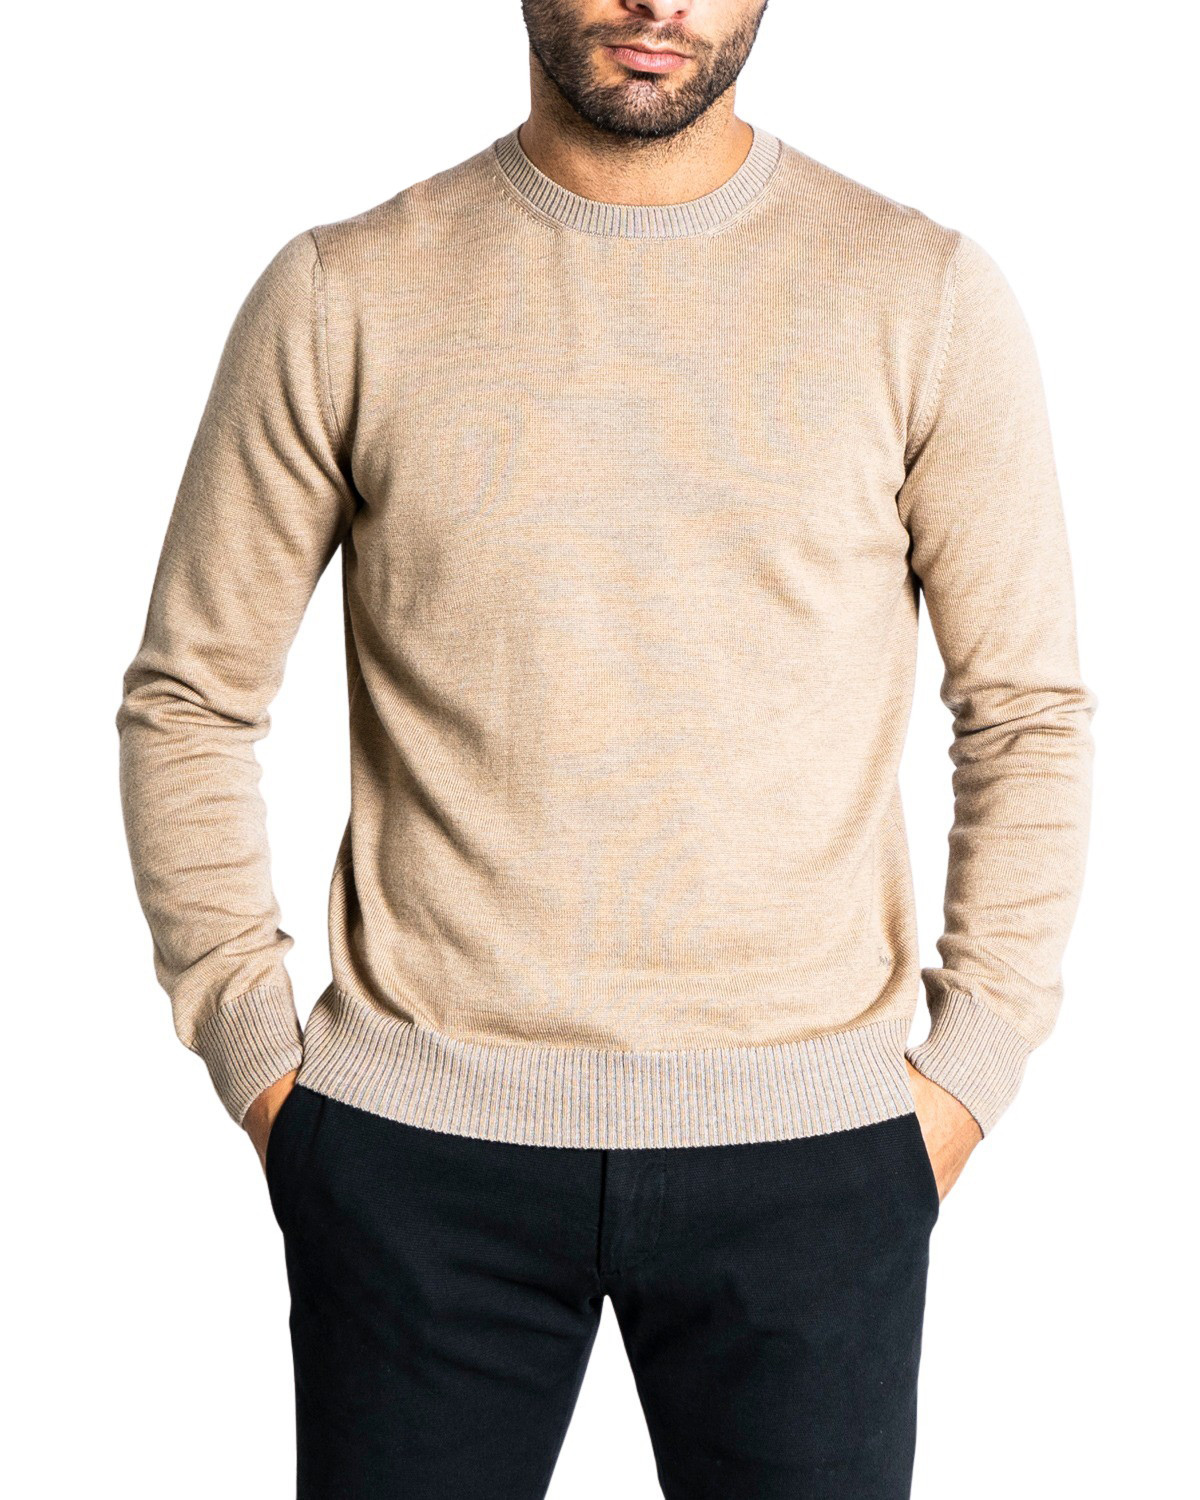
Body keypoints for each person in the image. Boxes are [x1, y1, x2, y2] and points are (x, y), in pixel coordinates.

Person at [115, 2, 1096, 1495]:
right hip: (416, 1152)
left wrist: (967, 1076)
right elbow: (190, 698)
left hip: (813, 1152)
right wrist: (260, 1067)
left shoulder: (921, 294)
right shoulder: (343, 292)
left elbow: (1027, 713)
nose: (656, 0)